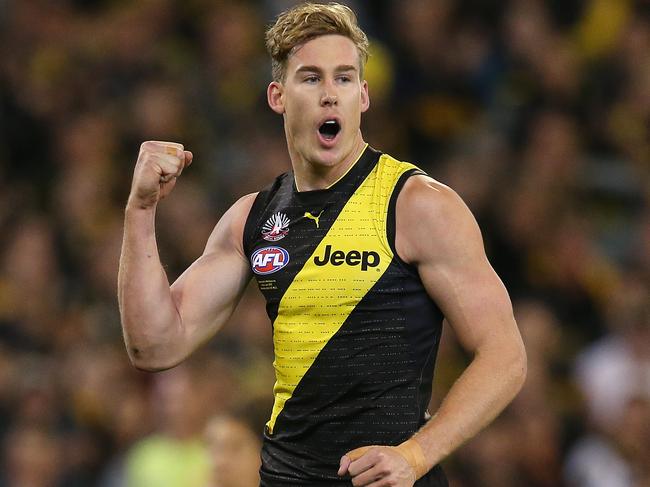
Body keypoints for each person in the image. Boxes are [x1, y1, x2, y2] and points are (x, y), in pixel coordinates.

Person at [118, 3, 527, 486]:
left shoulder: (416, 205)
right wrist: (140, 211)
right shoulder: (252, 218)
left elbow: (505, 356)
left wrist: (417, 456)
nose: (330, 95)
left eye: (345, 79)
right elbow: (154, 346)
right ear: (278, 96)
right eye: (311, 79)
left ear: (364, 96)